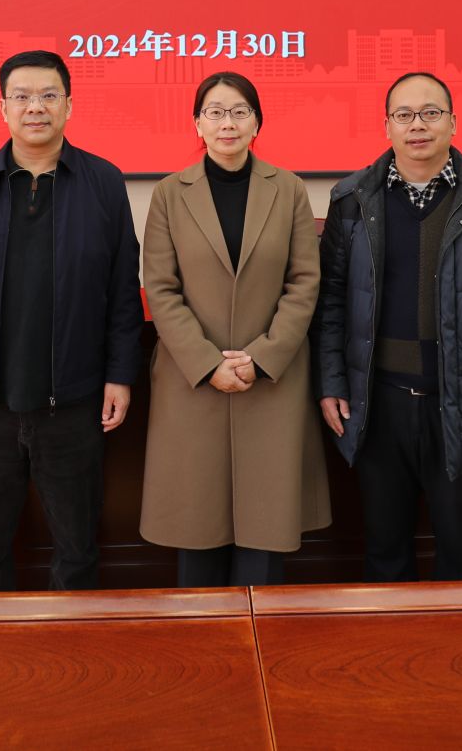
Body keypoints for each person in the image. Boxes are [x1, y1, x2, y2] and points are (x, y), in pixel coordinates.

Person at [0, 49, 142, 591]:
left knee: (77, 549)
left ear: (69, 105)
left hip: (75, 403)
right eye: (21, 97)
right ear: (3, 108)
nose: (35, 107)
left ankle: (73, 641)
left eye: (48, 96)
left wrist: (120, 375)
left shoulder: (103, 182)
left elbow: (122, 291)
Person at [316, 71, 462, 582]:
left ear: (453, 122)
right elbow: (330, 303)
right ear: (387, 126)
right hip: (377, 403)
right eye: (404, 115)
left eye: (430, 113)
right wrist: (331, 383)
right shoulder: (352, 199)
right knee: (384, 550)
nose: (417, 125)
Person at [139, 71, 330, 586]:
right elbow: (161, 289)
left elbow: (304, 281)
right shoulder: (170, 194)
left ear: (257, 123)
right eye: (216, 112)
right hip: (192, 383)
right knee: (196, 528)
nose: (228, 123)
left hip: (271, 380)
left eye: (240, 112)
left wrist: (262, 356)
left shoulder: (287, 189)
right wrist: (207, 363)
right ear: (197, 123)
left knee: (265, 534)